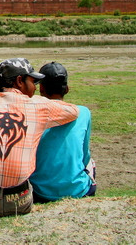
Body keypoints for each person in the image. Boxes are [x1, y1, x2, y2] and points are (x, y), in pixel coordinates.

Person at [0, 58, 79, 217]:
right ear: (20, 81)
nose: (35, 87)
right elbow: (73, 111)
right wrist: (40, 101)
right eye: (33, 82)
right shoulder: (39, 106)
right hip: (19, 202)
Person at [29, 62, 96, 201]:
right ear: (67, 89)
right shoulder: (83, 113)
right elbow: (85, 155)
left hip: (38, 190)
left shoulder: (31, 112)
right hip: (77, 190)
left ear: (41, 88)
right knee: (91, 163)